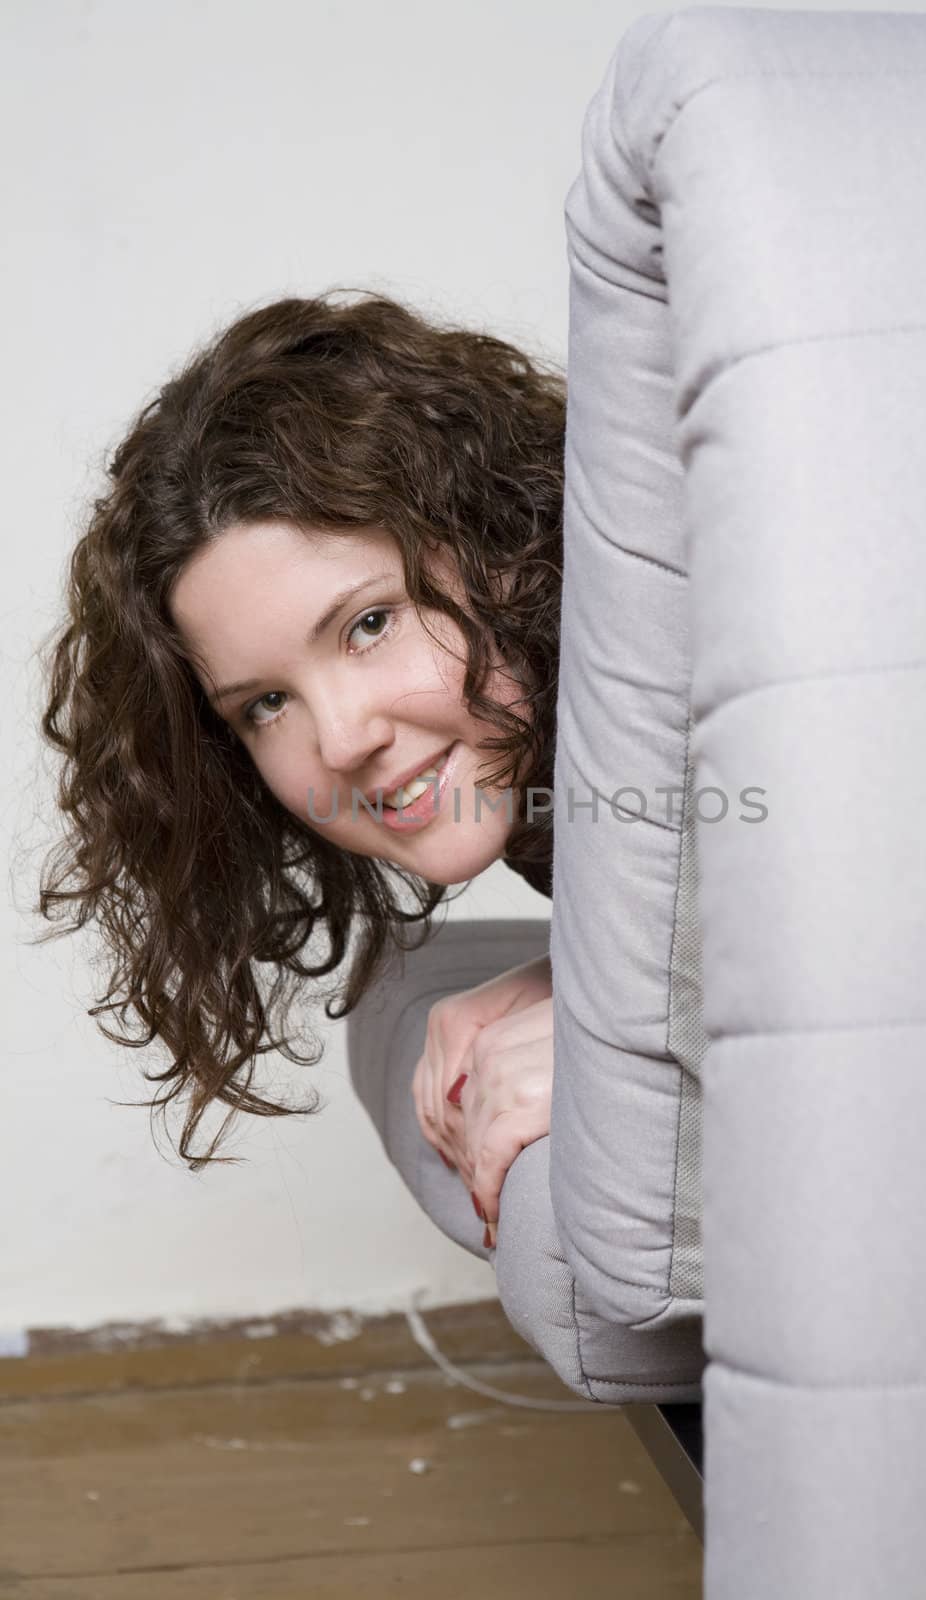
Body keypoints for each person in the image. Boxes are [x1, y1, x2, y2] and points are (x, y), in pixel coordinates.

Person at [35, 288, 563, 1251]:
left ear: (509, 552)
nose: (341, 740)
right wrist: (573, 979)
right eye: (264, 704)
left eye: (370, 623)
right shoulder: (542, 783)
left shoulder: (689, 696)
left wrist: (626, 1035)